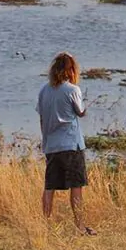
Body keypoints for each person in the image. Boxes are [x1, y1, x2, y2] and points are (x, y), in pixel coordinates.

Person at [37, 52, 92, 232]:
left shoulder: (44, 90)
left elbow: (42, 118)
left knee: (50, 186)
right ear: (71, 70)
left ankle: (46, 224)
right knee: (76, 186)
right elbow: (80, 112)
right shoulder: (72, 90)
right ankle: (80, 225)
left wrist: (45, 140)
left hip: (52, 145)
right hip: (71, 144)